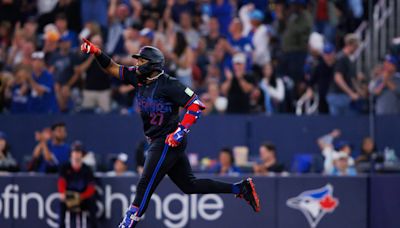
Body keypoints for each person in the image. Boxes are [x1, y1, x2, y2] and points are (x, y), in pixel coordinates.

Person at [80, 39, 260, 228]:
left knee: (145, 183)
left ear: (152, 64)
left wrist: (180, 132)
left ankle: (127, 224)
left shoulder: (169, 84)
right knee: (189, 186)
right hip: (157, 139)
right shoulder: (139, 78)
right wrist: (96, 52)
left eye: (141, 61)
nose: (137, 64)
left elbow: (196, 105)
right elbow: (113, 68)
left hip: (167, 140)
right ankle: (240, 188)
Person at [58, 142, 97, 228]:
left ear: (82, 154)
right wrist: (63, 193)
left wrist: (81, 196)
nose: (76, 155)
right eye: (74, 152)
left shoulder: (87, 169)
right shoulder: (65, 167)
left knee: (92, 200)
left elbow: (91, 188)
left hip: (83, 198)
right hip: (69, 197)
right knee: (61, 202)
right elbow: (61, 182)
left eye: (78, 152)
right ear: (71, 154)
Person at [326, 33, 360, 115]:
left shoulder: (348, 59)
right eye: (356, 46)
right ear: (350, 45)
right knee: (340, 124)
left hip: (342, 96)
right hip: (338, 96)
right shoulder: (342, 58)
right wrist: (351, 93)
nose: (356, 49)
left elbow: (351, 79)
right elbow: (338, 78)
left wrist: (359, 91)